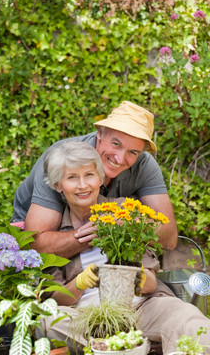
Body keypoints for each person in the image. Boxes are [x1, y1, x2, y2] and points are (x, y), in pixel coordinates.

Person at [35, 141, 210, 355]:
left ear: (100, 178)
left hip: (142, 308)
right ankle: (132, 343)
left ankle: (121, 345)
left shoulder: (125, 212)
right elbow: (55, 300)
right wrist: (79, 283)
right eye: (72, 177)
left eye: (89, 175)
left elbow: (152, 284)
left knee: (186, 316)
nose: (83, 185)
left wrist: (141, 277)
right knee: (48, 320)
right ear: (57, 185)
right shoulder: (55, 235)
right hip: (89, 318)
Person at [11, 100, 178, 257]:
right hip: (41, 234)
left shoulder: (144, 165)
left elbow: (169, 237)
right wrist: (100, 231)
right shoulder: (62, 158)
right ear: (100, 134)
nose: (119, 159)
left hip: (92, 232)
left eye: (133, 152)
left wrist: (125, 225)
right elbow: (36, 244)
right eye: (116, 144)